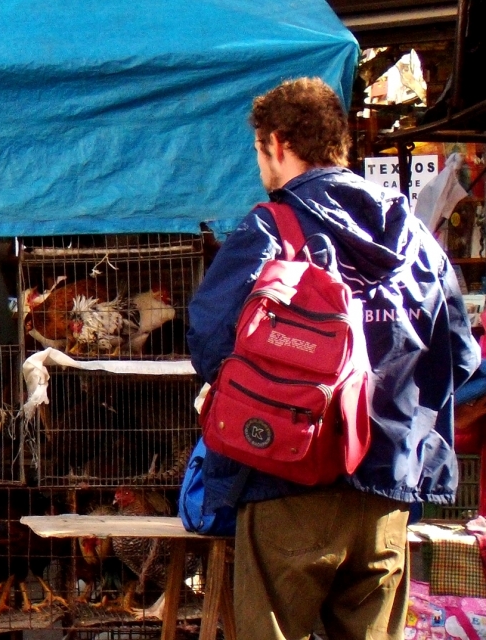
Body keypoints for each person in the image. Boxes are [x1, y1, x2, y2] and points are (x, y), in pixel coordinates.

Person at [187, 77, 481, 640]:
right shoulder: (416, 239)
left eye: (258, 152)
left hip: (286, 482)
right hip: (388, 492)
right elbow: (461, 358)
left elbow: (209, 338)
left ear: (277, 143)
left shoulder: (271, 228)